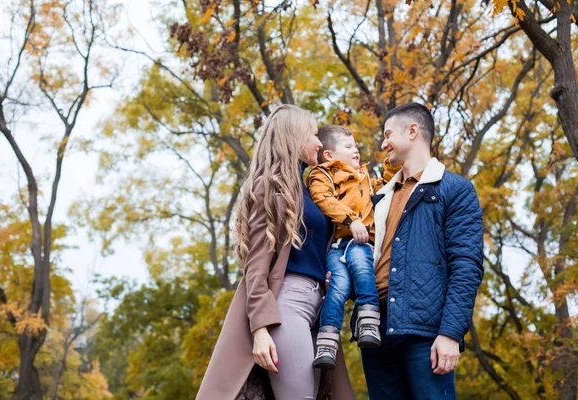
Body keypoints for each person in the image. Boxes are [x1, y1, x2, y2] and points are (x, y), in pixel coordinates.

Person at [195, 105, 355, 400]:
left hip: (319, 311)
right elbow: (255, 266)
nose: (319, 143)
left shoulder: (312, 189)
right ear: (294, 136)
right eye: (312, 134)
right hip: (287, 306)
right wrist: (260, 329)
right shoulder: (272, 187)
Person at [358, 102, 484, 399]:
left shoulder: (455, 189)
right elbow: (371, 259)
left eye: (388, 134)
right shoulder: (379, 199)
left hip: (426, 332)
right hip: (375, 329)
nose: (384, 143)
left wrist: (451, 333)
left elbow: (466, 266)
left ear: (412, 131)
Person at [306, 125, 397, 369]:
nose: (356, 151)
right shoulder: (321, 175)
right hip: (338, 244)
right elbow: (323, 199)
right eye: (348, 147)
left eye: (356, 146)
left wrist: (391, 160)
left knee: (362, 267)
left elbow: (388, 184)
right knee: (338, 287)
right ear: (329, 155)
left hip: (360, 242)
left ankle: (368, 320)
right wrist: (350, 219)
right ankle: (327, 341)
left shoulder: (365, 178)